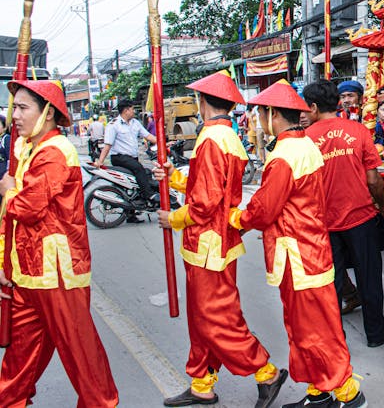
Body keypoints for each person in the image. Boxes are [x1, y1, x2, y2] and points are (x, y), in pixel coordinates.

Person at [154, 72, 287, 407]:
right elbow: (206, 186)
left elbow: (205, 201)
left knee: (216, 318)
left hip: (207, 242)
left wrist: (174, 218)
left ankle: (266, 371)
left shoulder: (212, 139)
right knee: (203, 317)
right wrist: (173, 177)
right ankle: (201, 383)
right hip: (213, 240)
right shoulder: (226, 137)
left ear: (202, 102)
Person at [230, 80, 366, 408]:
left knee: (313, 329)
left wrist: (235, 219)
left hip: (298, 254)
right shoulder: (303, 145)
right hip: (309, 248)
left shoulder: (285, 155)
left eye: (262, 112)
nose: (260, 119)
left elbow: (263, 209)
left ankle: (348, 393)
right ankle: (319, 392)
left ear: (273, 113)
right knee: (304, 327)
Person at [0, 79, 119, 406]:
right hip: (29, 270)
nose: (16, 116)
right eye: (15, 108)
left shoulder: (55, 151)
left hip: (58, 273)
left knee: (80, 352)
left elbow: (27, 207)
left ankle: (100, 403)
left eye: (23, 108)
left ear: (48, 113)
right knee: (20, 351)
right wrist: (4, 263)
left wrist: (7, 191)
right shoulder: (29, 147)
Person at [301, 80, 384, 348]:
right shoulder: (358, 131)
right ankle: (376, 334)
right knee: (369, 278)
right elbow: (374, 179)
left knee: (330, 282)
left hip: (324, 223)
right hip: (361, 218)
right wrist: (381, 204)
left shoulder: (305, 139)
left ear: (314, 106)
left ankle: (334, 340)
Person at [94, 99, 158, 223]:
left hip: (132, 158)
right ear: (126, 110)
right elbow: (107, 145)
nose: (134, 111)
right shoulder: (114, 125)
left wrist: (164, 144)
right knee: (139, 169)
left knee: (145, 173)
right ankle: (149, 195)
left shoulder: (135, 123)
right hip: (119, 158)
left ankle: (131, 214)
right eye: (132, 109)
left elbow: (149, 136)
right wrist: (100, 162)